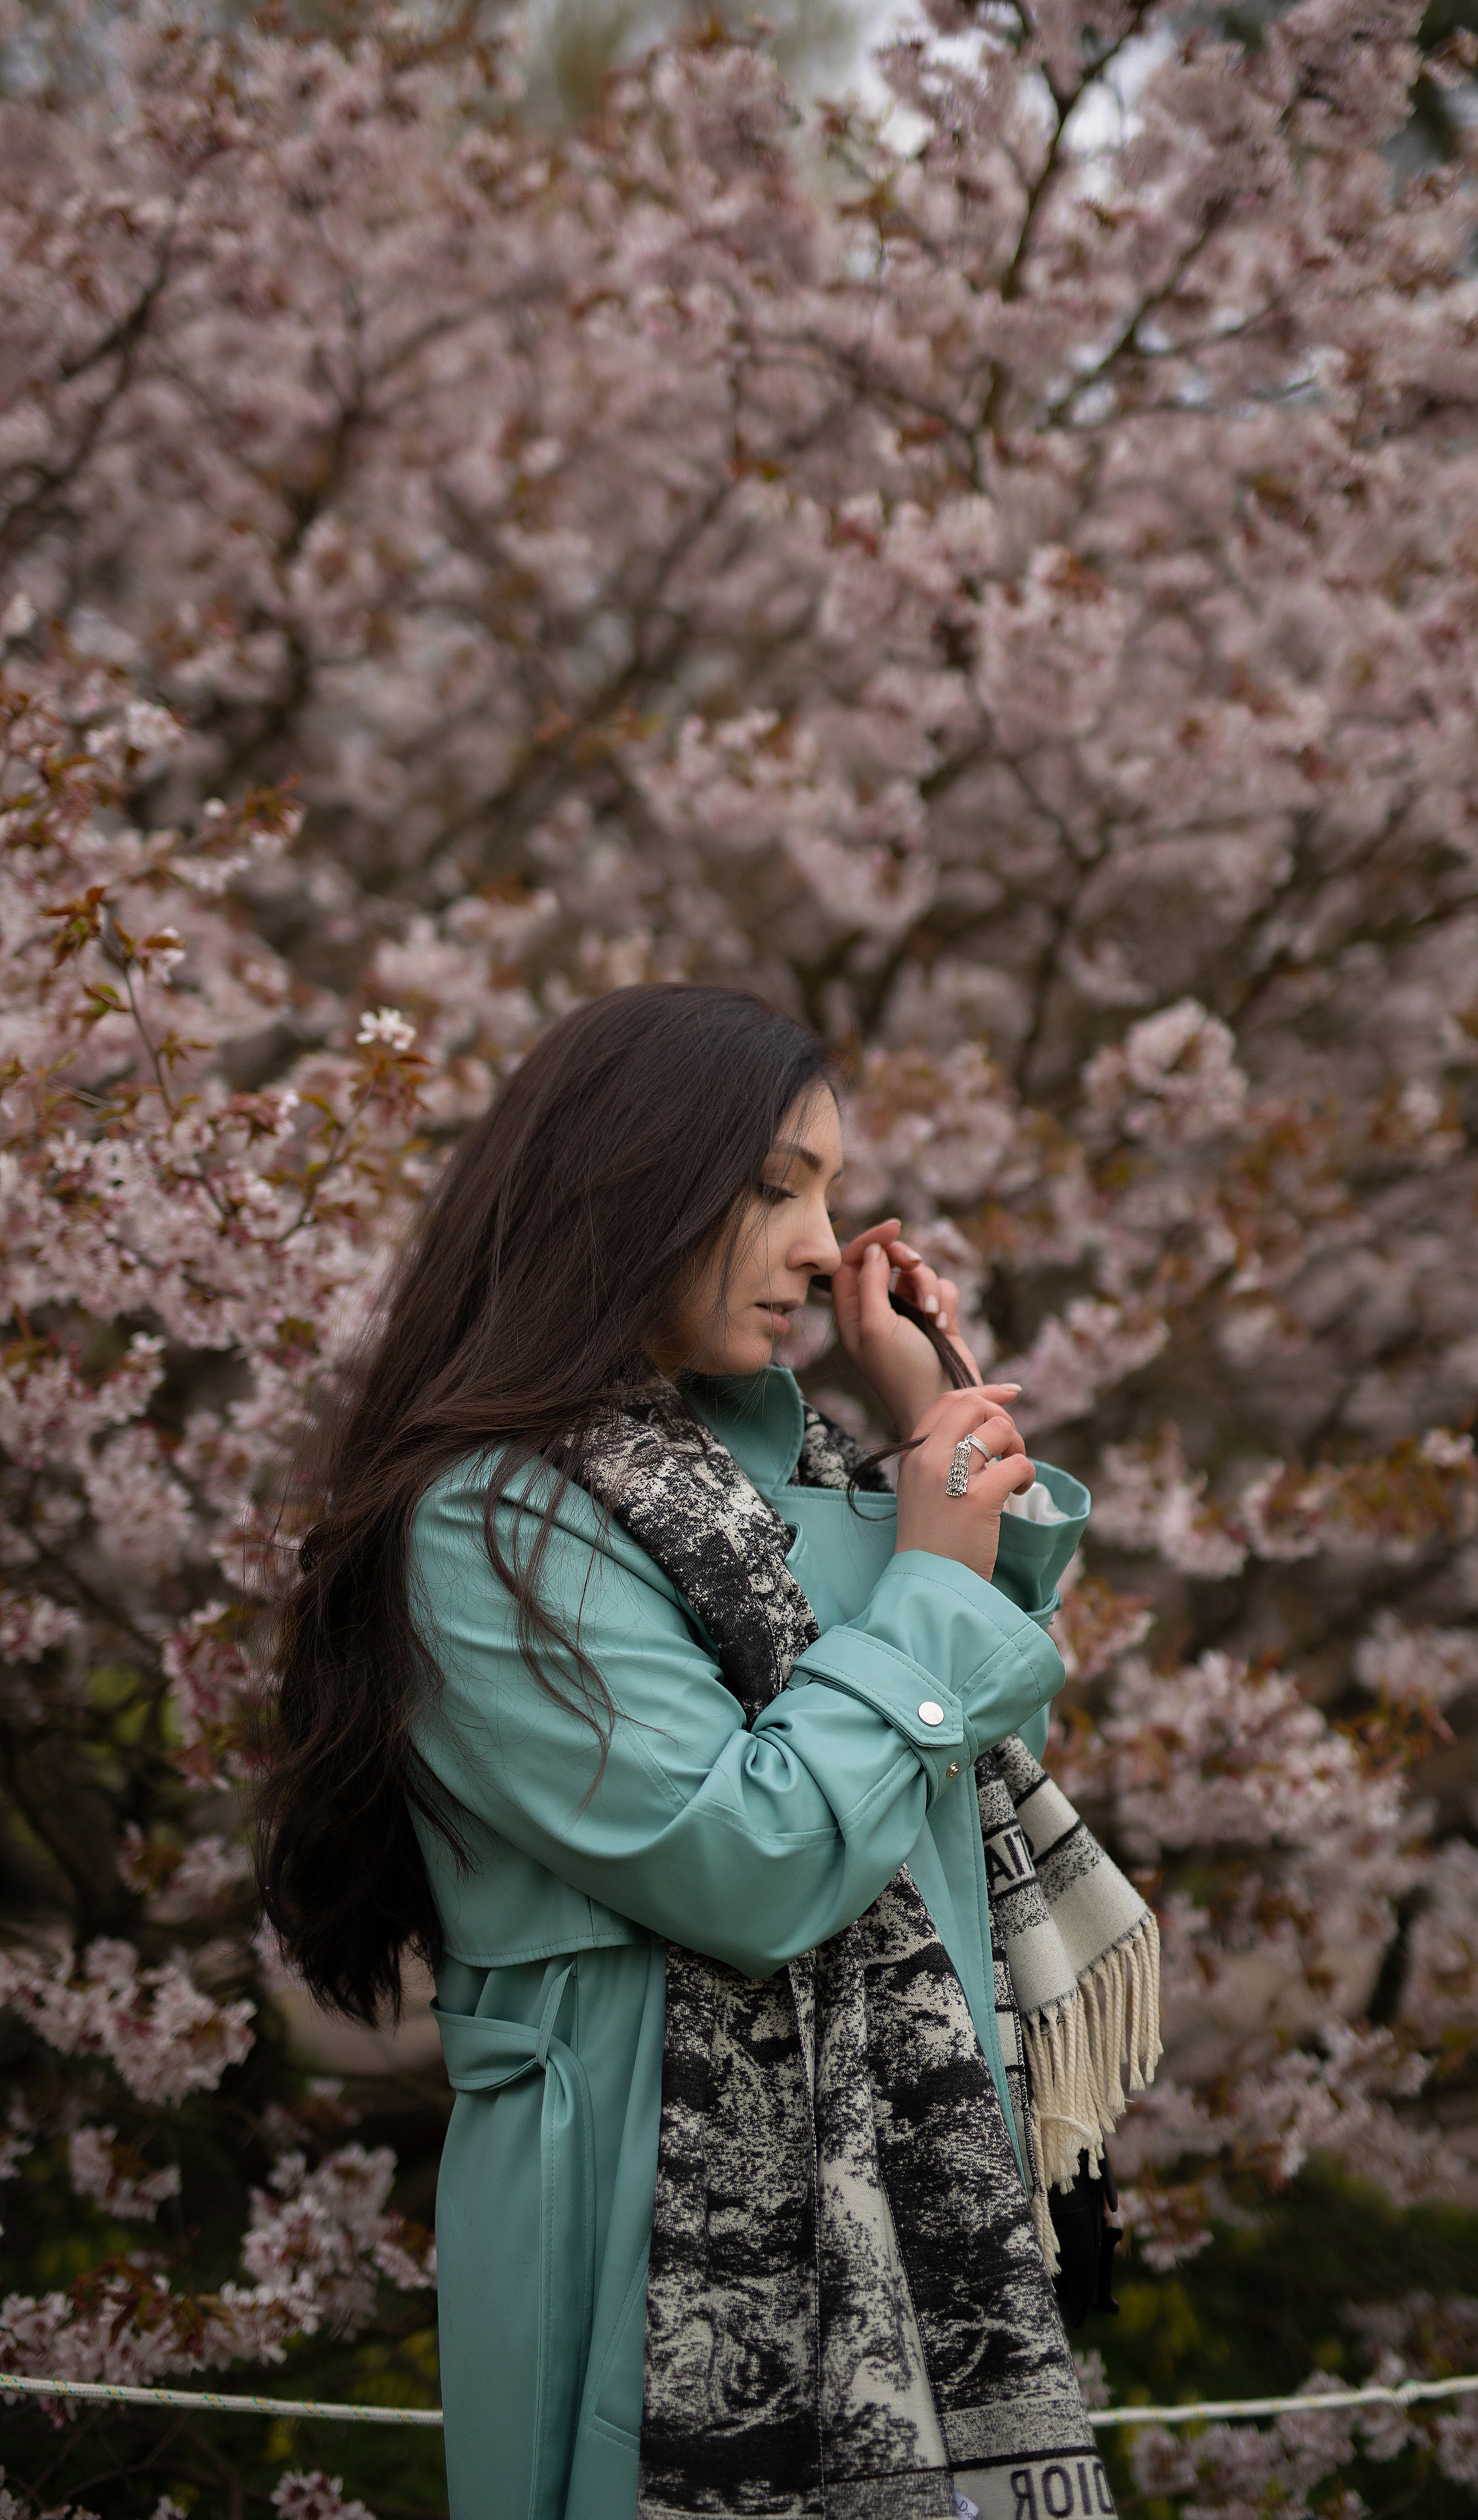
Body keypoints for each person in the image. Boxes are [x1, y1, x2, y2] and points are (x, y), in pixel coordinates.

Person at [257, 984, 1157, 2520]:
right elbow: (747, 1861)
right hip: (632, 2206)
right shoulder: (489, 1517)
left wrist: (930, 1416)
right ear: (627, 1192)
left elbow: (931, 1767)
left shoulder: (791, 1477)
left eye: (824, 1190)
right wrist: (933, 1574)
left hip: (908, 2196)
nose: (821, 1246)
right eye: (770, 1189)